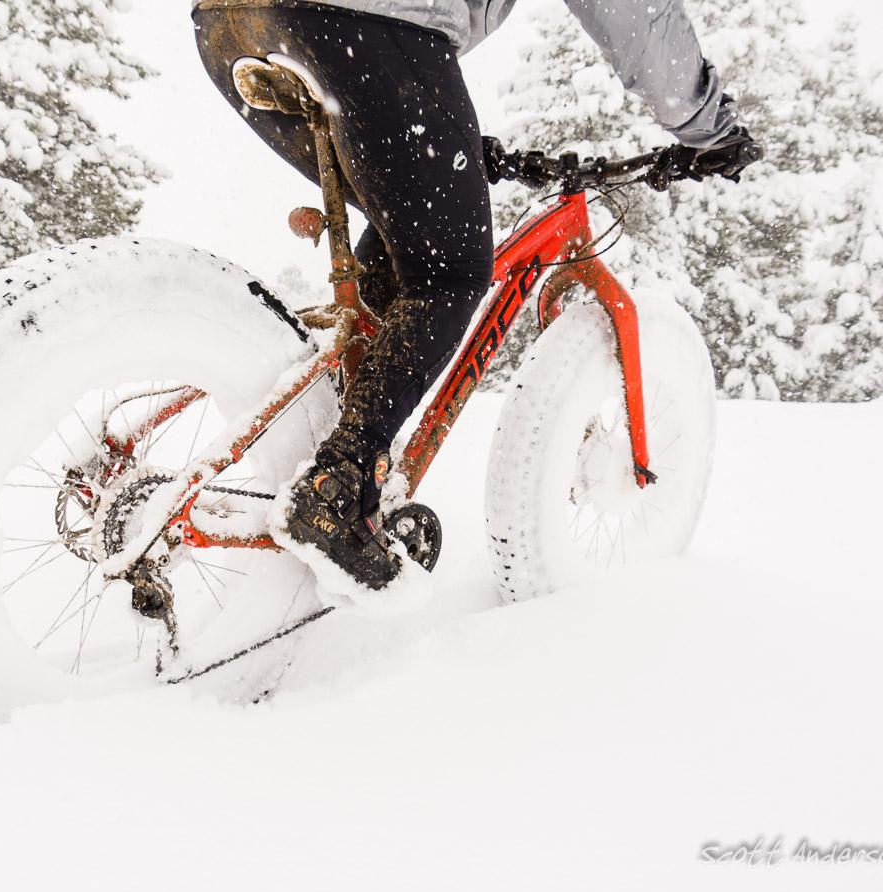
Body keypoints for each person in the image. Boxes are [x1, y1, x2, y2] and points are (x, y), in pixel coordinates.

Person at [191, 0, 753, 590]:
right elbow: (636, 16)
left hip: (232, 25)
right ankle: (337, 486)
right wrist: (707, 128)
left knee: (403, 243)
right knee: (449, 272)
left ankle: (325, 451)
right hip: (361, 20)